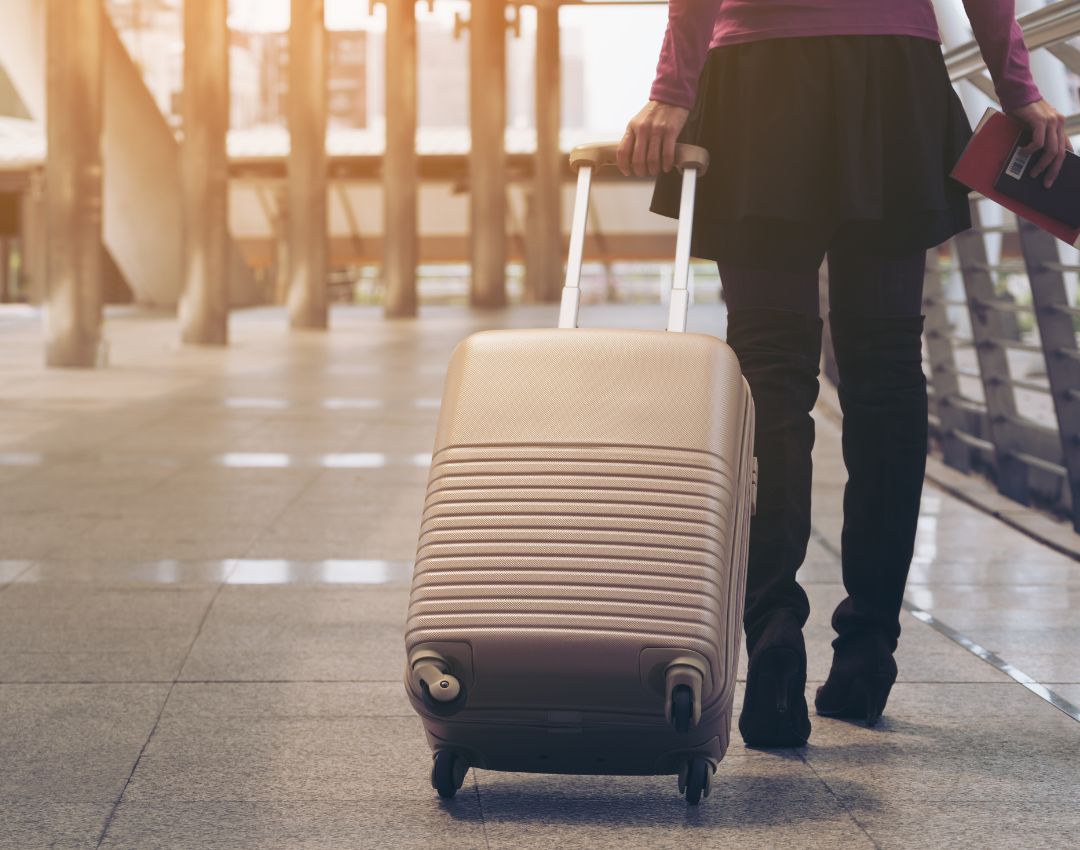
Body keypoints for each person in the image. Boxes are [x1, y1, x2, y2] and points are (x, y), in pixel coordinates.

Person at [616, 0, 1072, 748]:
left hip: (758, 76)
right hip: (890, 72)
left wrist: (673, 88)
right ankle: (866, 653)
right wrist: (1018, 87)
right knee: (887, 366)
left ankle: (771, 628)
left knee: (768, 364)